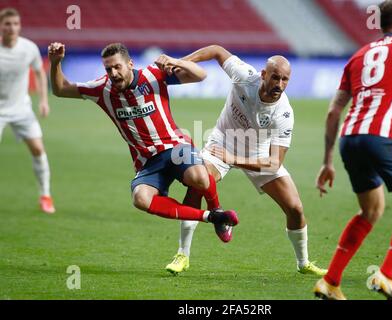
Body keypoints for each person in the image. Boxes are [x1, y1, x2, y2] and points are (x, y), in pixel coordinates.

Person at [47, 42, 239, 240]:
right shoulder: (102, 89)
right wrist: (55, 63)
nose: (113, 73)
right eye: (108, 69)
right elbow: (60, 89)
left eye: (117, 67)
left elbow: (200, 75)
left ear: (130, 64)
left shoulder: (154, 74)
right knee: (140, 198)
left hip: (174, 147)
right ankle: (212, 217)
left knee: (199, 176)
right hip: (147, 161)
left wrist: (174, 61)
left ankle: (216, 208)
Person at [165, 45, 327, 277]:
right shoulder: (244, 76)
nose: (279, 84)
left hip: (258, 155)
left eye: (284, 80)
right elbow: (216, 50)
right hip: (222, 144)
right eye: (275, 77)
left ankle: (303, 263)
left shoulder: (284, 114)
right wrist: (182, 61)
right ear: (263, 74)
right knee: (198, 184)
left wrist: (234, 159)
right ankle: (182, 255)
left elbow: (273, 163)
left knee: (295, 208)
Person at [313, 0, 392, 300]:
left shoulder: (357, 56)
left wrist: (327, 162)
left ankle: (329, 282)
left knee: (370, 210)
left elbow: (333, 111)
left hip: (350, 139)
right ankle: (386, 273)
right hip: (381, 137)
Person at [0, 8, 55, 214]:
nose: (12, 27)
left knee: (38, 150)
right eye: (7, 24)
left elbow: (40, 73)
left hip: (21, 108)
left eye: (15, 23)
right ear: (1, 26)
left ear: (19, 26)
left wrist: (43, 100)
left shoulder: (28, 48)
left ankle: (46, 195)